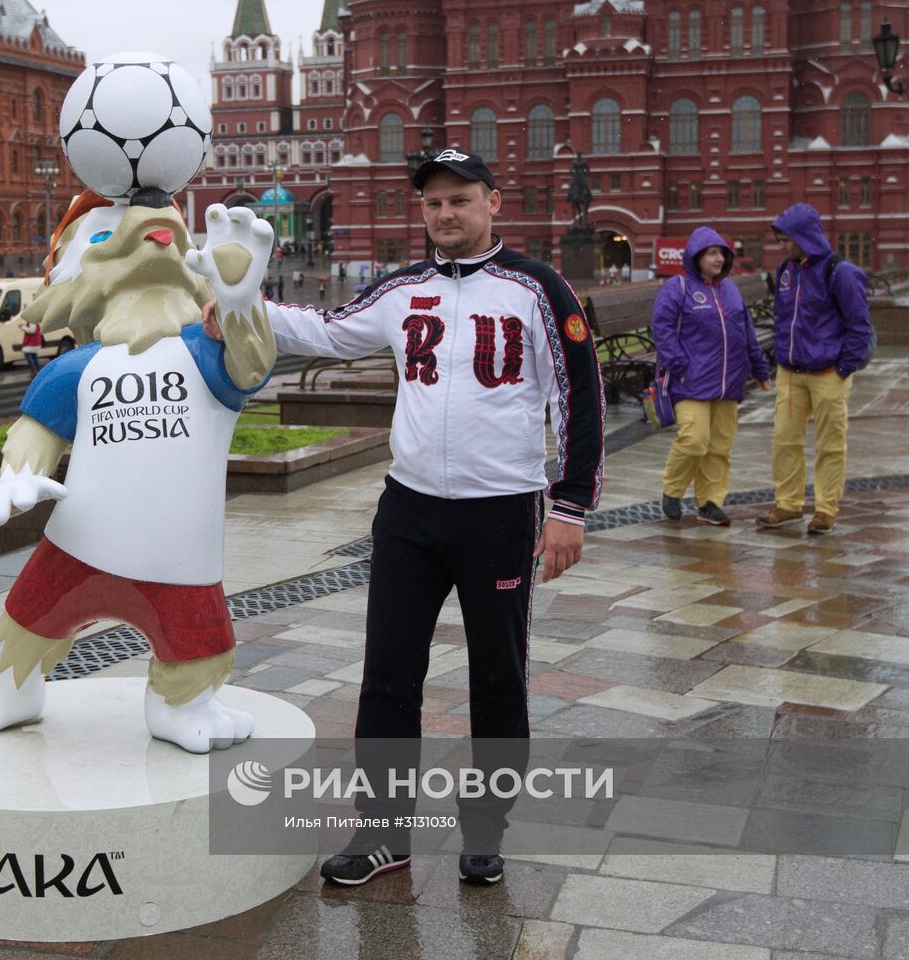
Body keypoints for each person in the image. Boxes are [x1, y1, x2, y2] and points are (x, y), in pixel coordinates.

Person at [204, 151, 605, 888]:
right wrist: (241, 311)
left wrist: (571, 507)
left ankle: (486, 830)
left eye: (459, 200)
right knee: (387, 675)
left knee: (498, 674)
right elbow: (325, 331)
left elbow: (578, 399)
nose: (445, 215)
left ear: (492, 202)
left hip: (501, 512)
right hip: (410, 512)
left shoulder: (538, 288)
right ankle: (385, 832)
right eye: (433, 204)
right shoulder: (402, 288)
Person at [757, 203, 874, 534]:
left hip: (828, 375)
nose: (782, 247)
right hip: (790, 373)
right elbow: (784, 319)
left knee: (830, 443)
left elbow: (859, 326)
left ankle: (825, 510)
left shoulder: (841, 273)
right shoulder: (786, 271)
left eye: (786, 240)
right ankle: (788, 504)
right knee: (784, 439)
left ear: (802, 236)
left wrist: (842, 368)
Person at [652, 227, 772, 525]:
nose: (719, 259)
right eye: (712, 253)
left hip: (729, 383)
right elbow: (662, 329)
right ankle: (673, 490)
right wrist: (681, 365)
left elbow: (746, 334)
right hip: (690, 382)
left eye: (722, 253)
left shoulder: (730, 290)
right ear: (697, 256)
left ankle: (709, 502)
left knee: (719, 447)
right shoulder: (677, 287)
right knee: (694, 440)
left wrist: (760, 369)